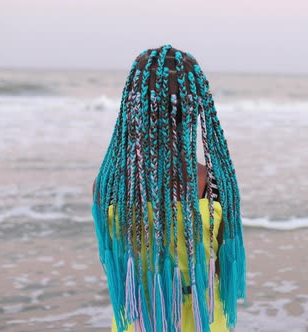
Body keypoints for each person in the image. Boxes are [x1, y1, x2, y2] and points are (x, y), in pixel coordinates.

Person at [91, 45, 246, 332]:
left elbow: (111, 260)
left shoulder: (109, 183)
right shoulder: (213, 182)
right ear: (194, 105)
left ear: (134, 104)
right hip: (202, 319)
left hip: (138, 318)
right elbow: (223, 269)